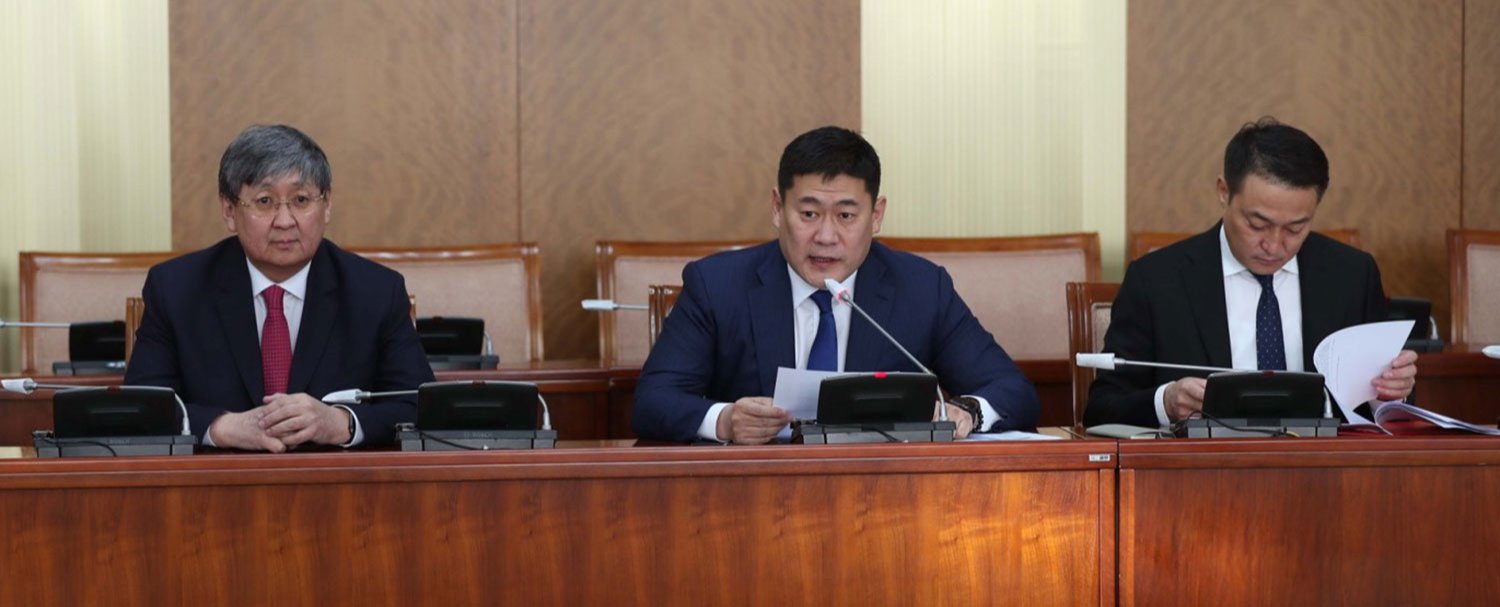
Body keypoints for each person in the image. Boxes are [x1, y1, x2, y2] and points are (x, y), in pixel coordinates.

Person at [633, 126, 1039, 443]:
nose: (826, 237)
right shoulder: (718, 285)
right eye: (809, 214)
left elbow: (1012, 390)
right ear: (777, 208)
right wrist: (724, 420)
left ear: (876, 216)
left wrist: (967, 411)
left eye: (846, 216)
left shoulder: (920, 288)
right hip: (754, 496)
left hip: (881, 495)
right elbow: (653, 400)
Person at [1085, 118, 1418, 428]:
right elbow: (1100, 409)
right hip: (1204, 466)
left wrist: (1390, 391)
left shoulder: (1352, 275)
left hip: (1322, 465)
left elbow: (1380, 408)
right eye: (1257, 224)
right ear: (1223, 191)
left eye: (1295, 228)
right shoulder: (1157, 281)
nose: (1274, 245)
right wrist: (1166, 402)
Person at [125, 124, 434, 451]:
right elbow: (140, 409)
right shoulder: (176, 290)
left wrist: (340, 422)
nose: (285, 221)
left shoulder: (375, 291)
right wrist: (221, 427)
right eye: (264, 201)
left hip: (338, 479)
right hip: (218, 478)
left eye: (301, 200)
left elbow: (419, 405)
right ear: (229, 211)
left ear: (327, 204)